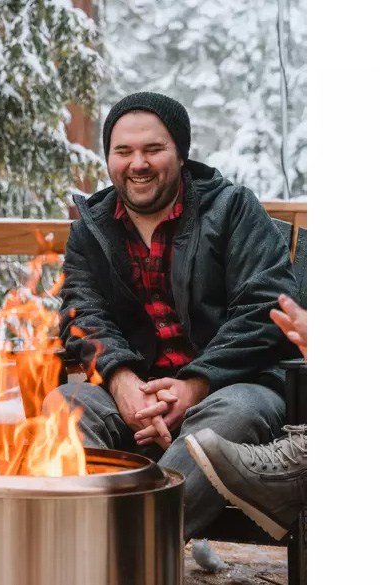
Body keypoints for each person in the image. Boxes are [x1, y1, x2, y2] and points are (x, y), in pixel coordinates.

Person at [48, 91, 299, 544]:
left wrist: (195, 383)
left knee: (232, 416)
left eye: (153, 149)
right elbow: (81, 312)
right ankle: (88, 544)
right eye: (123, 151)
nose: (137, 163)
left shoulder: (233, 208)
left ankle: (127, 549)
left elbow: (266, 307)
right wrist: (121, 380)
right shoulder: (91, 226)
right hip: (137, 391)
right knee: (65, 405)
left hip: (229, 387)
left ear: (181, 155)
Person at [186, 294, 307, 541]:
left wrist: (194, 383)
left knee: (237, 411)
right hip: (138, 381)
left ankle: (132, 548)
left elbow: (260, 305)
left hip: (251, 380)